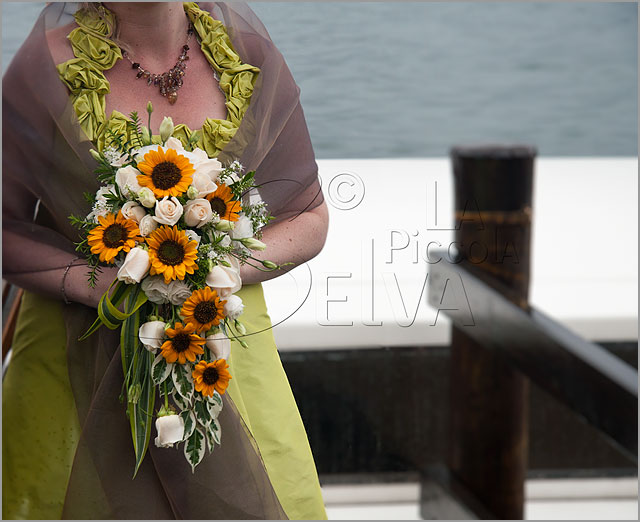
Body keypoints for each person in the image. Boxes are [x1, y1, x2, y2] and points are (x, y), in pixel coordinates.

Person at [2, 2, 329, 519]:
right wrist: (103, 286)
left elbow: (310, 217)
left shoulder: (249, 60)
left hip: (220, 356)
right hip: (75, 360)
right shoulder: (46, 65)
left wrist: (213, 270)